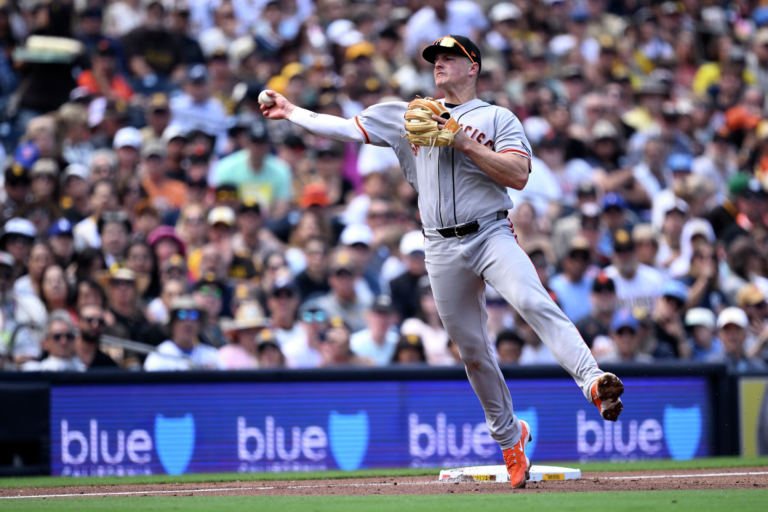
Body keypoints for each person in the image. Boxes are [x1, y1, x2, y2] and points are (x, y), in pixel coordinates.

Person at [262, 34, 623, 488]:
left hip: (490, 230)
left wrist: (464, 142)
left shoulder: (497, 116)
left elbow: (519, 174)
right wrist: (291, 111)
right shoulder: (409, 114)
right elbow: (345, 127)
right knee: (472, 350)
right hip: (439, 245)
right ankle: (511, 439)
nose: (439, 63)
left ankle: (593, 381)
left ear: (473, 66)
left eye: (450, 57)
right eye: (435, 58)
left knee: (533, 302)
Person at [0, 251, 47, 366]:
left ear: (14, 278)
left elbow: (46, 340)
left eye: (7, 275)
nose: (2, 281)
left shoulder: (33, 305)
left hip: (30, 370)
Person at [350, 295, 400, 366]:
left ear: (394, 318)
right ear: (369, 316)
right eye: (379, 314)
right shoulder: (353, 343)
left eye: (387, 314)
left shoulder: (398, 343)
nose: (383, 319)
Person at [716, 307, 768, 373]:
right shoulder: (710, 366)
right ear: (720, 335)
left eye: (737, 330)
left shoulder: (759, 368)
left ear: (746, 334)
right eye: (727, 331)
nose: (732, 335)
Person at [74, 304, 119, 370]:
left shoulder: (108, 364)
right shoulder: (64, 356)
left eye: (100, 322)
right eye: (89, 320)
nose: (95, 325)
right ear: (79, 322)